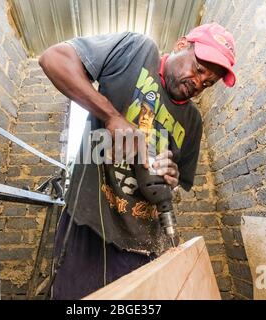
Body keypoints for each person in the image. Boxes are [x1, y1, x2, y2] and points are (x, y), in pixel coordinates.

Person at [39, 23, 237, 300]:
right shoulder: (136, 50)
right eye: (199, 69)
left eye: (207, 82)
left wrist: (171, 180)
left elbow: (179, 184)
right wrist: (110, 116)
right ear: (182, 45)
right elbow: (53, 59)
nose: (198, 83)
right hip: (90, 222)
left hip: (144, 242)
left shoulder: (193, 121)